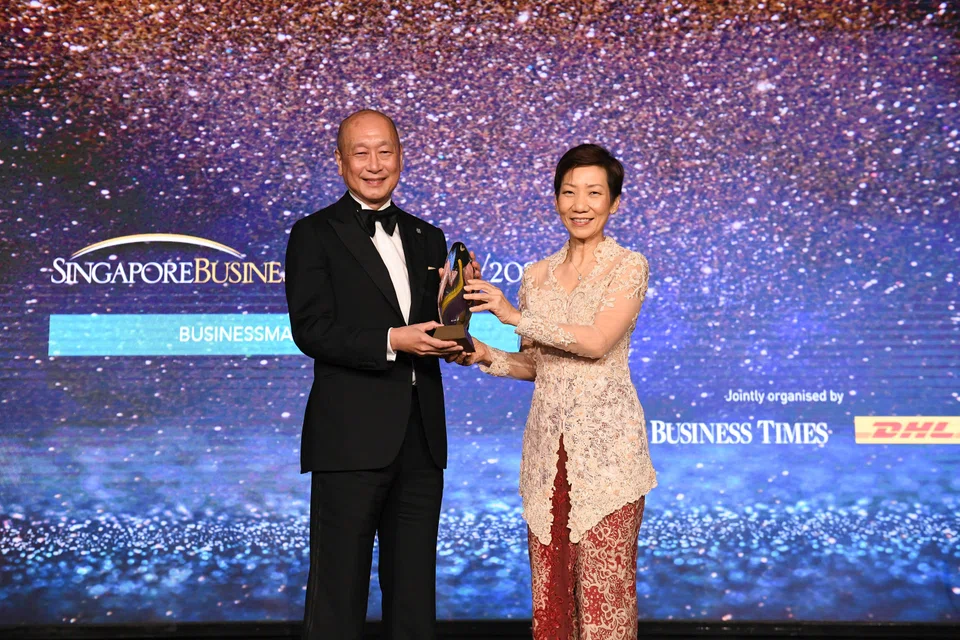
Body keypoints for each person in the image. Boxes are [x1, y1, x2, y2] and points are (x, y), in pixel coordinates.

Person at [455, 144, 658, 638]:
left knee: (604, 601)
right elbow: (537, 365)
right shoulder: (535, 276)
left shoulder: (628, 266)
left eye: (594, 193)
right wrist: (481, 352)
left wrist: (512, 316)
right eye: (569, 192)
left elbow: (596, 342)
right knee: (552, 601)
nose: (580, 204)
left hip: (609, 458)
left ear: (615, 204)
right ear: (555, 199)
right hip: (548, 459)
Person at [284, 109, 464, 640]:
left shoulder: (429, 237)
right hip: (348, 441)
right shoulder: (314, 234)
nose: (374, 164)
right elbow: (311, 329)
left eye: (385, 151)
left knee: (414, 597)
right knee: (338, 595)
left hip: (421, 439)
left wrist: (458, 312)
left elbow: (441, 330)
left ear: (401, 157)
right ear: (339, 162)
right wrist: (391, 339)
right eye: (360, 152)